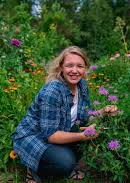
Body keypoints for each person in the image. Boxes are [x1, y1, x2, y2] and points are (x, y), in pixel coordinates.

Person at [12, 46, 118, 183]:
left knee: (83, 135)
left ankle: (61, 162)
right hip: (34, 136)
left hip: (60, 130)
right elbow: (50, 135)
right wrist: (82, 136)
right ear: (61, 67)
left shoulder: (82, 86)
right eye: (69, 66)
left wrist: (103, 111)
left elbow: (85, 117)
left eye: (80, 66)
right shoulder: (53, 91)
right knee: (65, 163)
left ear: (85, 68)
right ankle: (32, 170)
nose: (75, 71)